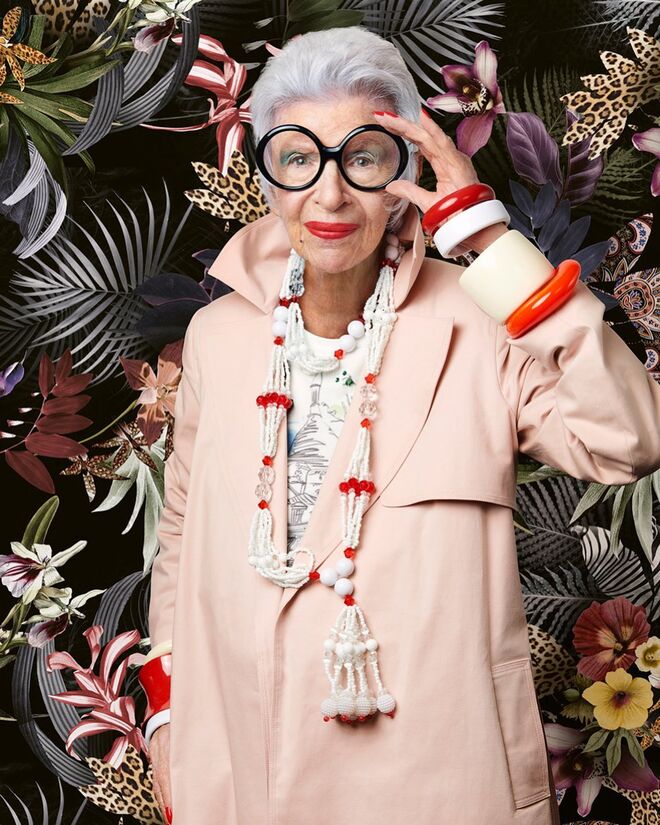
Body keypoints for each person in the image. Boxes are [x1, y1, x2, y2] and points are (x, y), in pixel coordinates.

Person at [138, 25, 660, 825]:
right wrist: (170, 711)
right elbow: (181, 528)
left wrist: (487, 239)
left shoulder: (483, 322)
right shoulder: (219, 335)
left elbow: (629, 438)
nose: (330, 195)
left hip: (438, 781)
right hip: (244, 771)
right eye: (297, 159)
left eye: (365, 158)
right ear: (268, 175)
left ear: (406, 171)